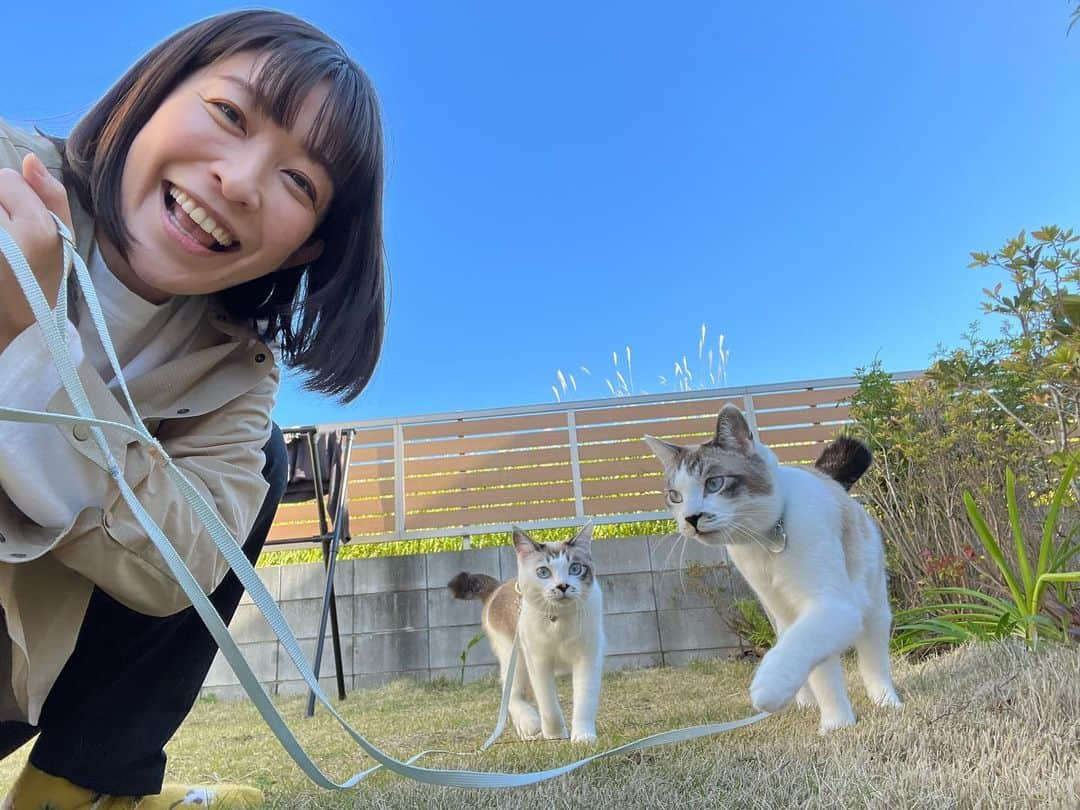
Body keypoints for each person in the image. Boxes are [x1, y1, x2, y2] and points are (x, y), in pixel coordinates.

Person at [0, 9, 385, 808]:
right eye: (230, 114)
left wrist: (33, 351)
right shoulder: (10, 179)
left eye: (298, 182)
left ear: (306, 246)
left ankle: (76, 793)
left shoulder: (237, 375)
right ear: (153, 93)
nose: (239, 183)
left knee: (264, 461)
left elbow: (179, 566)